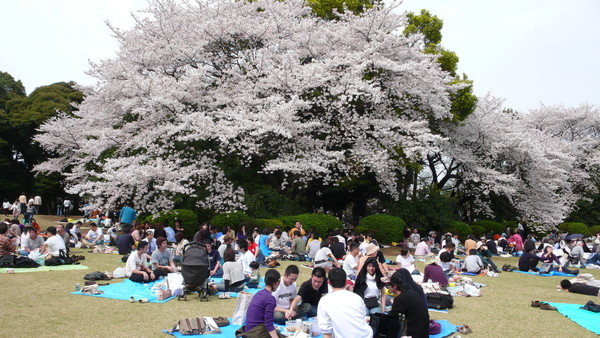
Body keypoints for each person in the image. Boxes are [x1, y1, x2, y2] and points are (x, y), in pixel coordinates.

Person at [317, 268, 373, 338]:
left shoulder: (324, 301)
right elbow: (361, 317)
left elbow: (326, 332)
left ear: (329, 282)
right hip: (366, 335)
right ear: (346, 281)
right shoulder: (357, 298)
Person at [387, 270, 429, 338]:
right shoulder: (411, 292)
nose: (388, 287)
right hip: (424, 333)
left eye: (388, 285)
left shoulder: (401, 299)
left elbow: (391, 320)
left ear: (394, 286)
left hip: (414, 334)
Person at [243, 269, 285, 338]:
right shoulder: (270, 299)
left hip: (248, 331)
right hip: (256, 333)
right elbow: (269, 324)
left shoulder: (259, 293)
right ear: (276, 283)